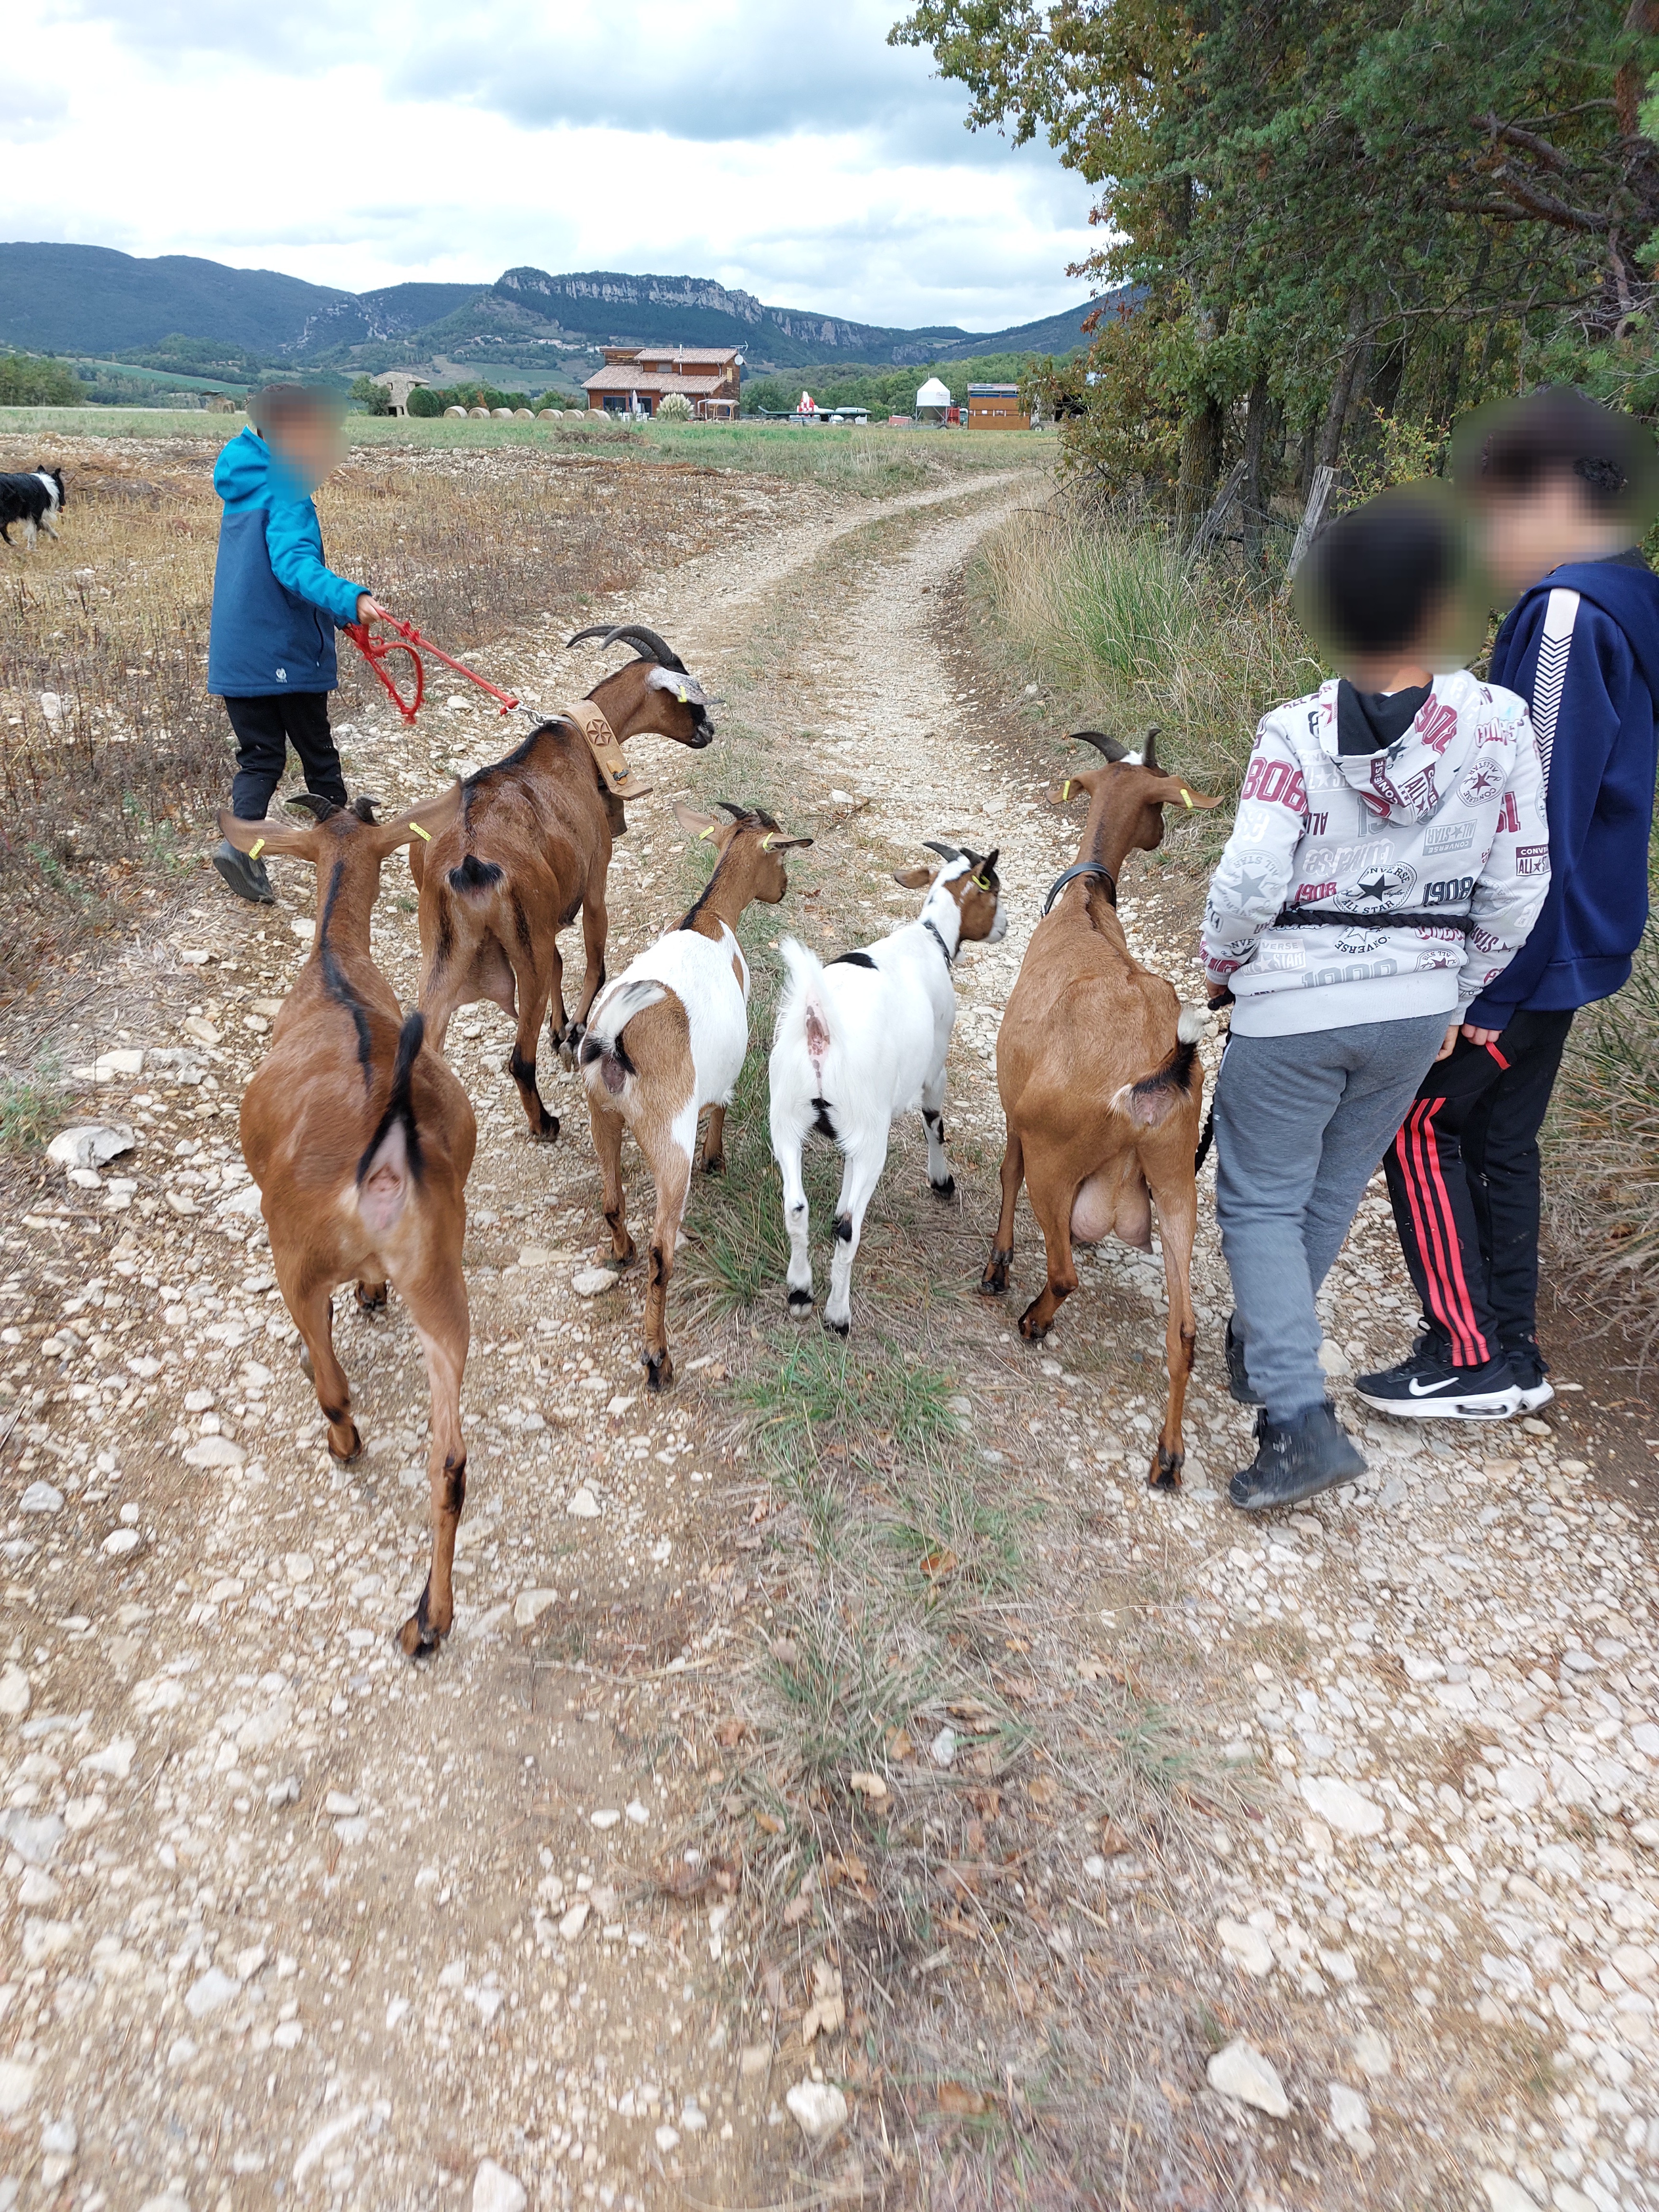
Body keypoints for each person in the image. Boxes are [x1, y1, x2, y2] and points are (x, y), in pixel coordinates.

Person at [1201, 487, 1551, 1510]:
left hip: (1293, 1003)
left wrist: (1222, 965)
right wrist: (1464, 982)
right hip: (1414, 1007)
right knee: (1326, 1191)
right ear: (1445, 609)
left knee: (1260, 1198)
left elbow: (1250, 883)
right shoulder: (1501, 723)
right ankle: (1269, 1343)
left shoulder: (1296, 732)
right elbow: (1521, 880)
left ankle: (1295, 1419)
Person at [1357, 389, 1659, 1420]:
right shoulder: (1631, 592)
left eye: (1499, 513)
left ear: (1563, 494)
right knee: (1498, 1139)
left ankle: (1469, 1349)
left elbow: (1538, 800)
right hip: (1571, 941)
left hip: (1530, 948)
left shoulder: (1570, 611)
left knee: (1418, 1121)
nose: (1489, 541)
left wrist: (1485, 983)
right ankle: (1511, 1350)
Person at [206, 385, 388, 903]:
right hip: (284, 657)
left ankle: (240, 847)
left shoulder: (246, 484)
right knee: (319, 757)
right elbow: (294, 568)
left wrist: (339, 615)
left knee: (260, 758)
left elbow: (270, 576)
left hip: (238, 659)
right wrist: (350, 599)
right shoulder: (286, 490)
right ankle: (345, 853)